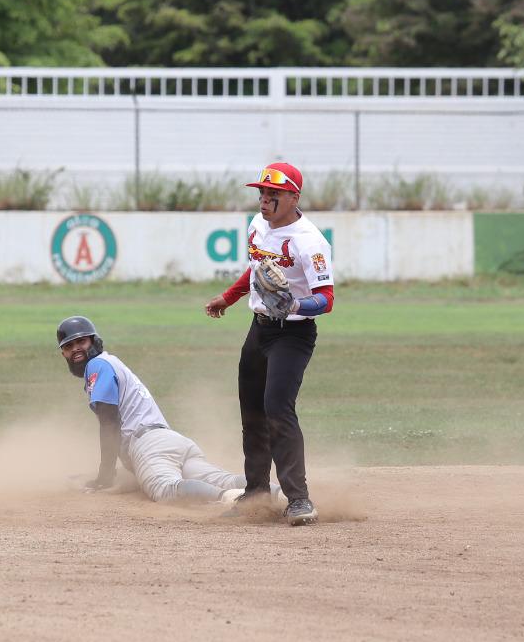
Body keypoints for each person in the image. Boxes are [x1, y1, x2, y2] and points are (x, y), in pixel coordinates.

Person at [203, 162, 334, 525]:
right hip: (259, 328)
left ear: (294, 197)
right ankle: (256, 493)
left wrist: (295, 304)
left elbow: (326, 299)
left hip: (293, 334)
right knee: (252, 412)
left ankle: (299, 499)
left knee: (278, 409)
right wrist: (227, 298)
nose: (264, 200)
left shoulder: (310, 241)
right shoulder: (258, 226)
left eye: (273, 194)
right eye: (262, 193)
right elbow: (256, 268)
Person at [56, 315, 246, 505]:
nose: (75, 349)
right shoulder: (110, 362)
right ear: (63, 354)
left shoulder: (97, 365)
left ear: (94, 341)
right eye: (68, 346)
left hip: (148, 445)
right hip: (172, 442)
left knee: (166, 490)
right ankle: (272, 492)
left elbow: (109, 423)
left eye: (81, 341)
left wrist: (104, 476)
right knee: (224, 480)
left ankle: (231, 501)